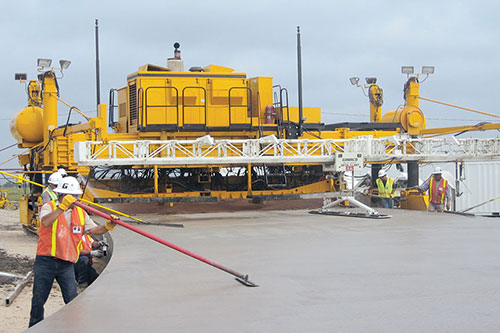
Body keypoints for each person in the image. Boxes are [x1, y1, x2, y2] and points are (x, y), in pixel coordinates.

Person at [29, 176, 116, 328]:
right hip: (46, 261)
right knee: (38, 299)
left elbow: (93, 229)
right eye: (74, 195)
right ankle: (34, 327)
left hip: (67, 264)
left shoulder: (80, 212)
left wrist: (107, 226)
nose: (76, 198)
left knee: (72, 300)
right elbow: (45, 222)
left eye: (77, 195)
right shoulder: (49, 206)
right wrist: (62, 207)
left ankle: (75, 328)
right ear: (63, 195)